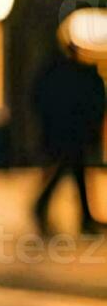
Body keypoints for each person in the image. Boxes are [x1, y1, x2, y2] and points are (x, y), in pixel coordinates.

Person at [32, 40, 106, 235]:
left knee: (74, 171)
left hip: (66, 132)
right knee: (71, 169)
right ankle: (44, 206)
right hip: (71, 132)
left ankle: (85, 218)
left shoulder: (57, 74)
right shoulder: (70, 75)